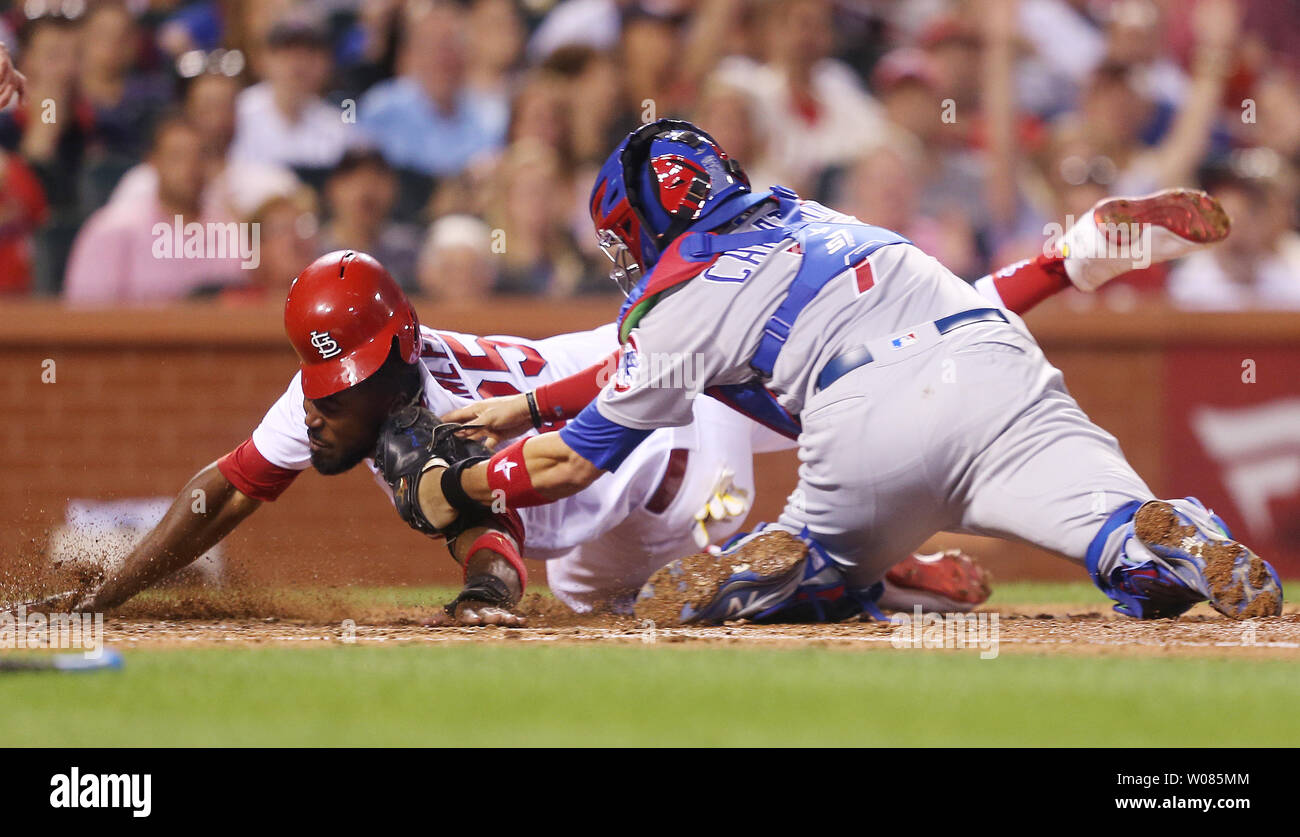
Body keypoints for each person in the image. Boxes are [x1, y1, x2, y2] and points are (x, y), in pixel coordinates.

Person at [422, 119, 1281, 626]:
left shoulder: (675, 300)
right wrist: (530, 398)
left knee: (830, 577)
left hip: (864, 418)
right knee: (1130, 552)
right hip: (994, 358)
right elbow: (663, 363)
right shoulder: (816, 212)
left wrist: (460, 486)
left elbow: (576, 457)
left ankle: (793, 561)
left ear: (643, 219)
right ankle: (1172, 535)